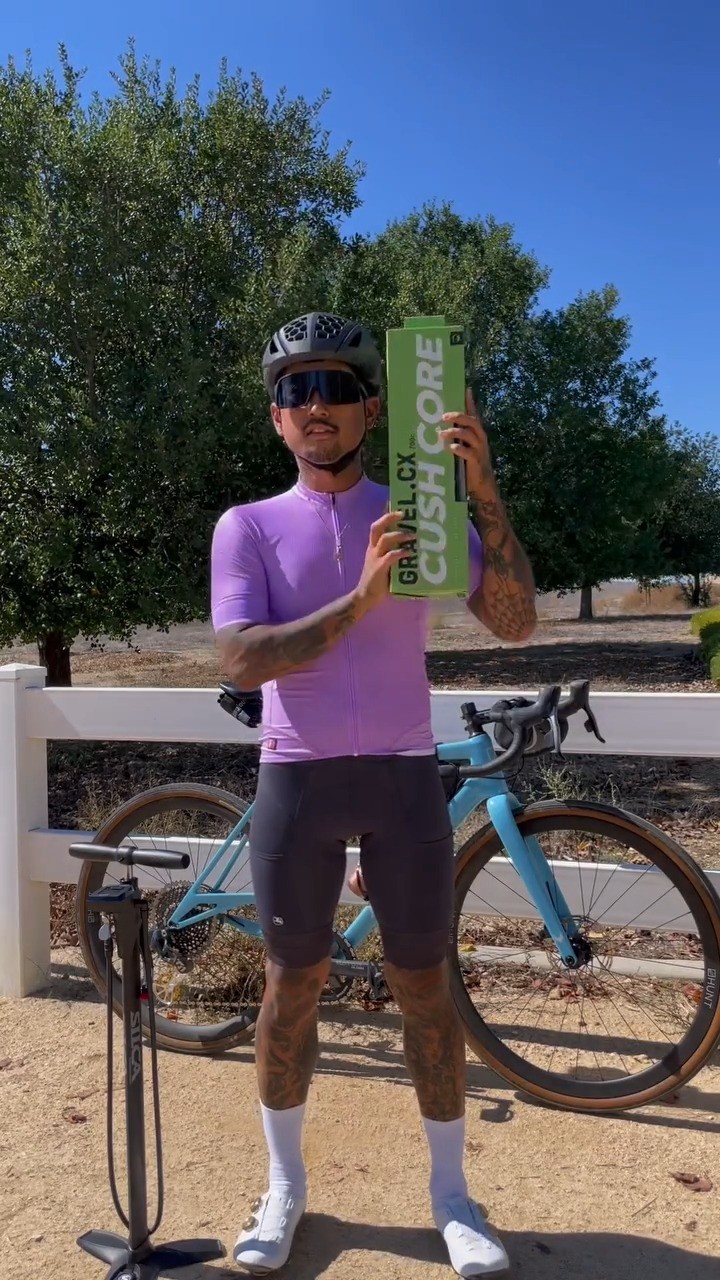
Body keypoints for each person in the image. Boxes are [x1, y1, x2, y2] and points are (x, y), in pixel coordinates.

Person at [211, 312, 536, 1277]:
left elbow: (516, 622)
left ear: (371, 407)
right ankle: (284, 1188)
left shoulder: (421, 517)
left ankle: (452, 1197)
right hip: (298, 778)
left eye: (336, 387)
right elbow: (241, 658)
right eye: (295, 390)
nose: (316, 405)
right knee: (292, 986)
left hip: (400, 778)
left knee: (426, 988)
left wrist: (482, 489)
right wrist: (359, 601)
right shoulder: (248, 526)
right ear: (277, 417)